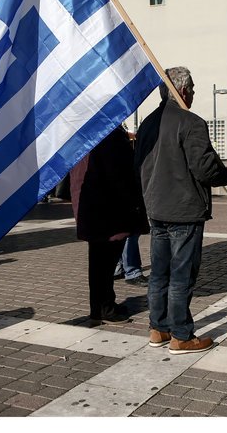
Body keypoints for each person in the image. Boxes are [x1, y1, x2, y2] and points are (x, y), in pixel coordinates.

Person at [135, 66, 227, 354]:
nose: (192, 94)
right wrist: (225, 175)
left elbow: (137, 167)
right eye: (191, 89)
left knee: (159, 273)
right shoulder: (191, 122)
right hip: (184, 210)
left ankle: (158, 328)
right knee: (181, 275)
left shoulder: (147, 124)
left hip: (156, 208)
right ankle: (181, 335)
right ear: (182, 90)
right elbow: (204, 168)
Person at [70, 125, 149, 325]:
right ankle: (104, 307)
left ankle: (101, 306)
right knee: (104, 262)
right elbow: (119, 173)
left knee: (99, 262)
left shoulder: (84, 134)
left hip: (93, 208)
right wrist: (133, 203)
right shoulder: (107, 135)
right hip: (108, 210)